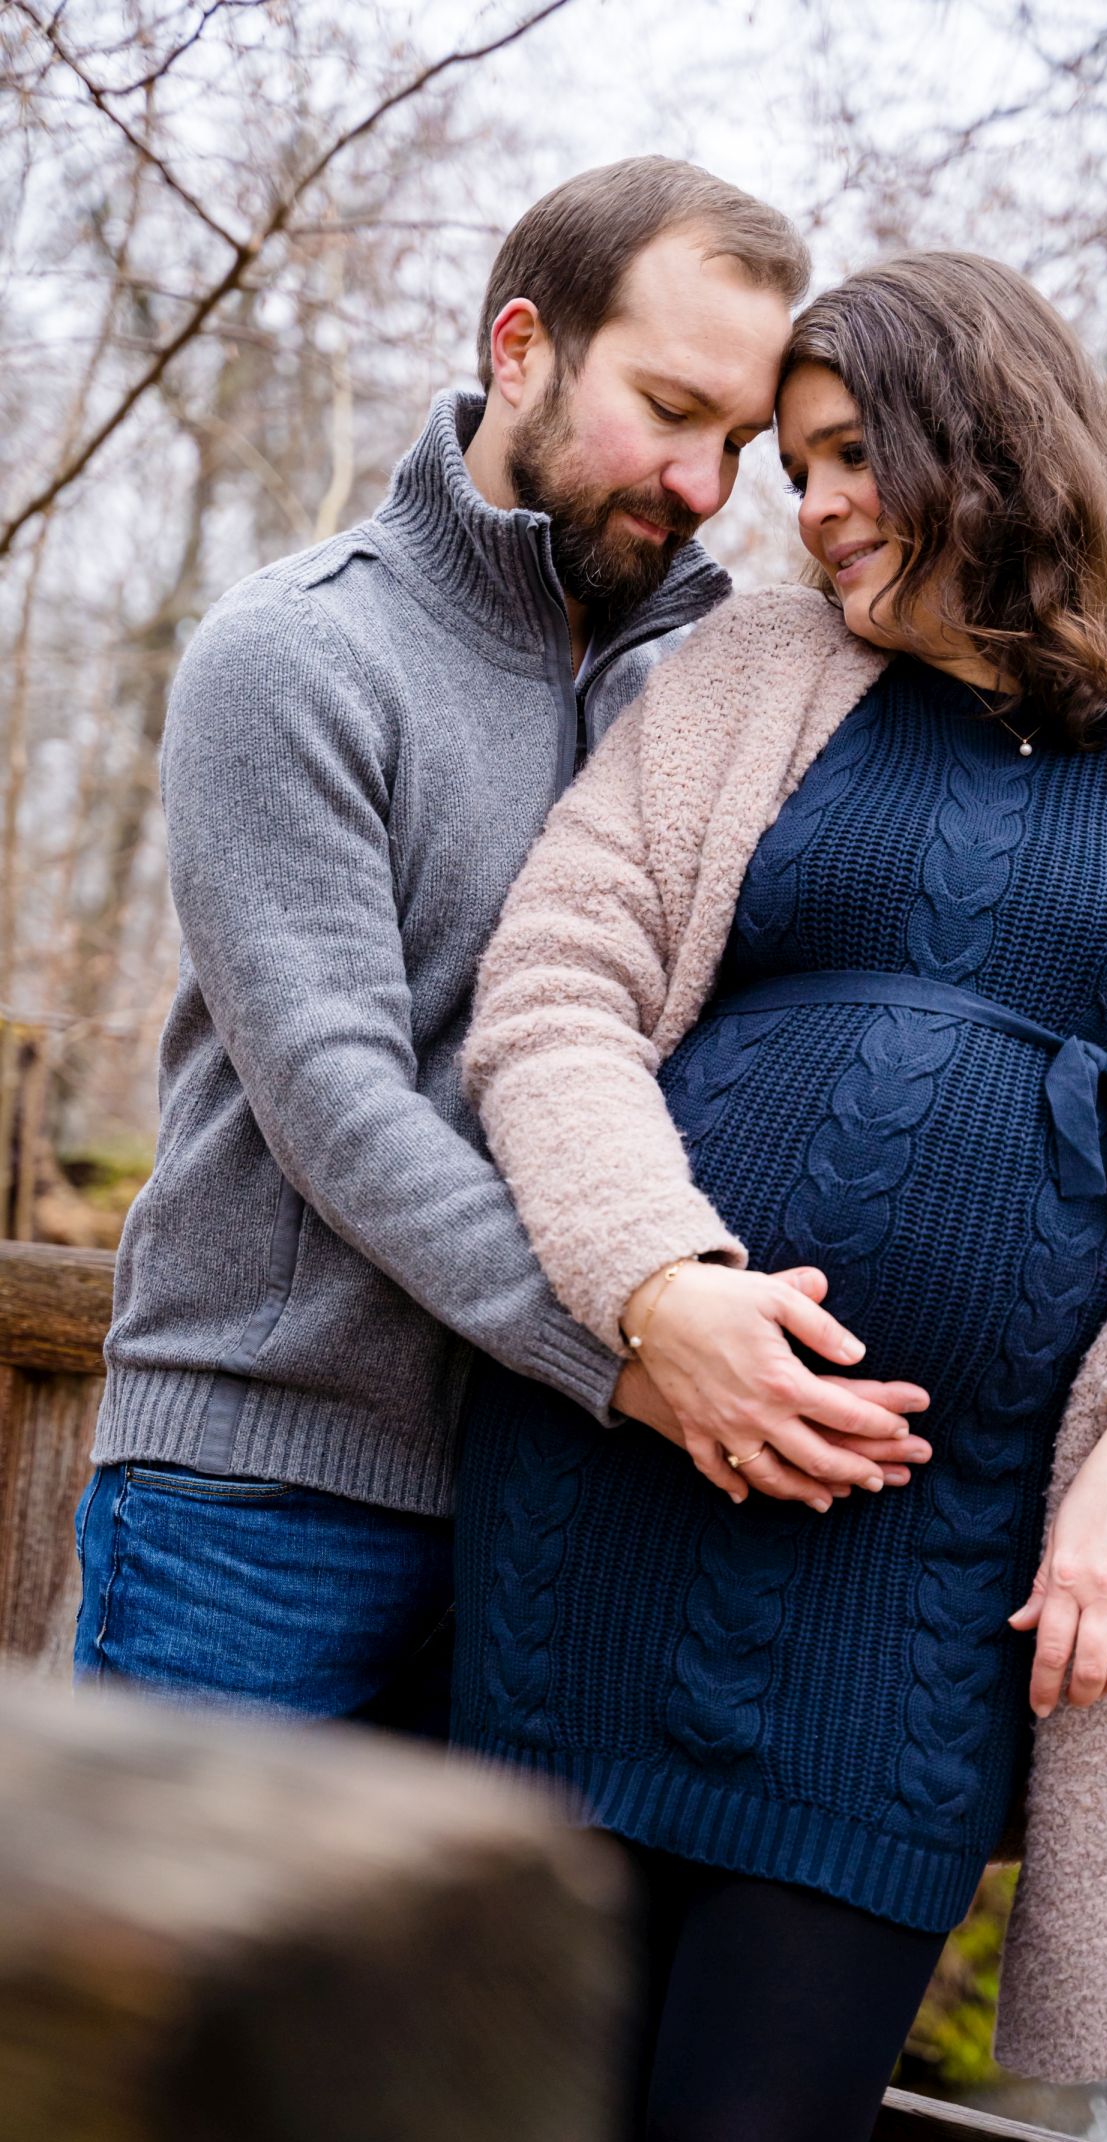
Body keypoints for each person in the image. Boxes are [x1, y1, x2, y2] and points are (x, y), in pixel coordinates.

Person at [453, 251, 1107, 2142]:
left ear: (991, 434)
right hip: (610, 1515)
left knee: (758, 2129)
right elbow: (552, 990)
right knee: (516, 2114)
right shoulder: (752, 672)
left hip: (931, 1585)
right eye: (797, 467)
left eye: (848, 453)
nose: (809, 509)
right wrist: (660, 1282)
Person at [73, 157, 924, 1734]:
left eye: (736, 443)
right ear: (521, 348)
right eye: (669, 410)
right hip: (262, 1496)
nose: (700, 484)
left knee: (469, 1992)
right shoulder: (300, 654)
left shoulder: (719, 679)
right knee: (178, 1985)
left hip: (564, 1517)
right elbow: (337, 1101)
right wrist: (632, 1339)